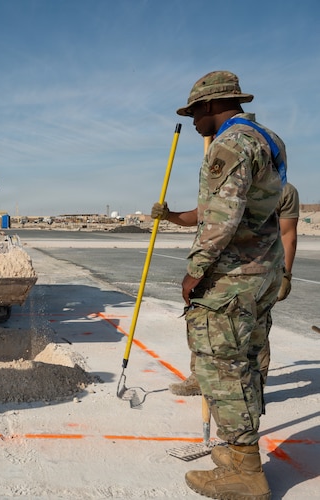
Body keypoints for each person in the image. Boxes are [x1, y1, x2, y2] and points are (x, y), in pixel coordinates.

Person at [166, 71, 285, 499]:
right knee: (248, 362)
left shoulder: (230, 144)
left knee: (222, 368)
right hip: (262, 270)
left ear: (213, 106)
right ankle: (239, 454)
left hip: (231, 277)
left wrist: (196, 270)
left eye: (196, 112)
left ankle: (247, 471)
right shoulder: (267, 138)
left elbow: (222, 215)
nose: (195, 121)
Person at [152, 181, 299, 395]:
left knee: (253, 328)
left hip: (257, 271)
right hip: (219, 269)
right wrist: (169, 215)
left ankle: (252, 389)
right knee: (203, 322)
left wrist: (286, 274)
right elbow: (200, 216)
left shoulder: (283, 190)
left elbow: (288, 234)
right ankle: (201, 378)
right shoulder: (226, 181)